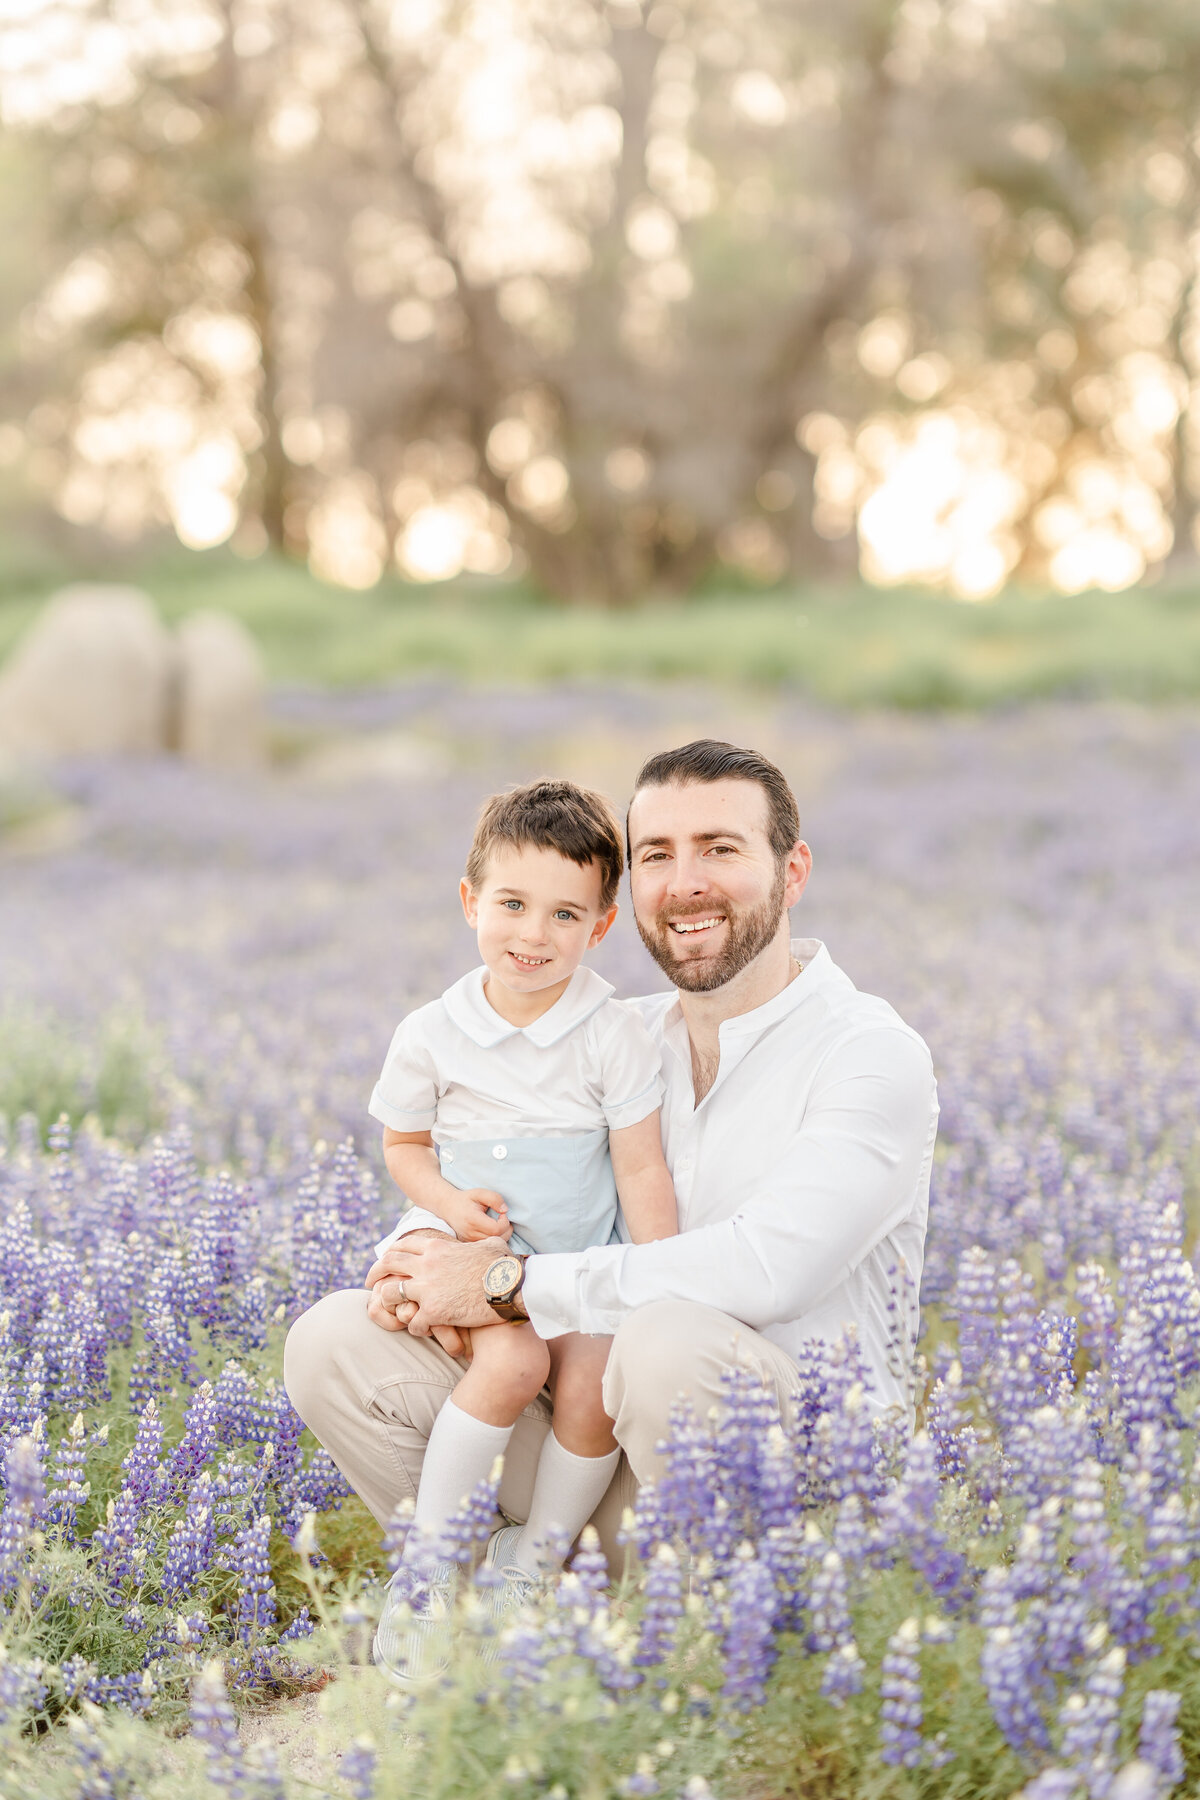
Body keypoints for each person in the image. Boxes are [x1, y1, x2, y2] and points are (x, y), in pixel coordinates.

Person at [284, 739, 938, 1680]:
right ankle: (491, 1615)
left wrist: (509, 1286)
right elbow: (482, 1161)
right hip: (606, 1456)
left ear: (792, 871)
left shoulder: (870, 1053)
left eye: (720, 848)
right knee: (334, 1336)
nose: (686, 883)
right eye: (659, 855)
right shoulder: (612, 1039)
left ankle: (725, 1657)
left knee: (668, 1340)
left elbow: (769, 1270)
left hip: (788, 1476)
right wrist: (420, 1264)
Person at [359, 778, 677, 1679]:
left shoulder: (612, 1032)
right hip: (466, 1240)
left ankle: (535, 1556)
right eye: (511, 905)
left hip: (577, 1257)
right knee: (514, 1360)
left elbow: (641, 1168)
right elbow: (405, 1145)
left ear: (601, 925)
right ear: (470, 903)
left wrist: (659, 1275)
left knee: (591, 1383)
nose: (533, 935)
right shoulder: (431, 1032)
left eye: (564, 914)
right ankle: (427, 1570)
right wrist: (452, 1208)